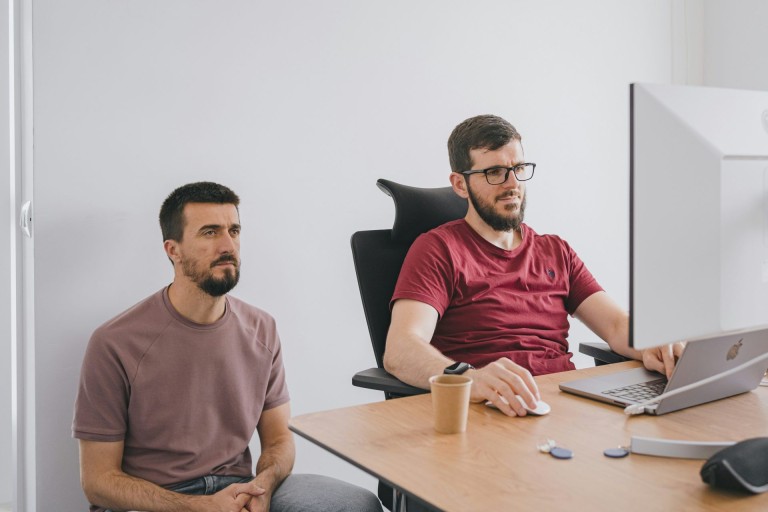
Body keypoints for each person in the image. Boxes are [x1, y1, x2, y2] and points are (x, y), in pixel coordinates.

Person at [72, 182, 382, 512]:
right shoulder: (115, 342)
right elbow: (98, 482)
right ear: (173, 250)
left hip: (237, 489)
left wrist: (262, 486)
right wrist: (200, 507)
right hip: (158, 498)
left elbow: (279, 440)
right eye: (209, 232)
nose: (227, 245)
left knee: (354, 504)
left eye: (233, 230)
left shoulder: (262, 328)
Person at [383, 115, 684, 418]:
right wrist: (468, 378)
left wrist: (654, 343)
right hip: (491, 409)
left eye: (518, 169)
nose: (513, 184)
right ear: (460, 184)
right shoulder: (439, 249)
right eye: (495, 172)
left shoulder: (555, 250)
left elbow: (617, 325)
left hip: (563, 407)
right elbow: (401, 348)